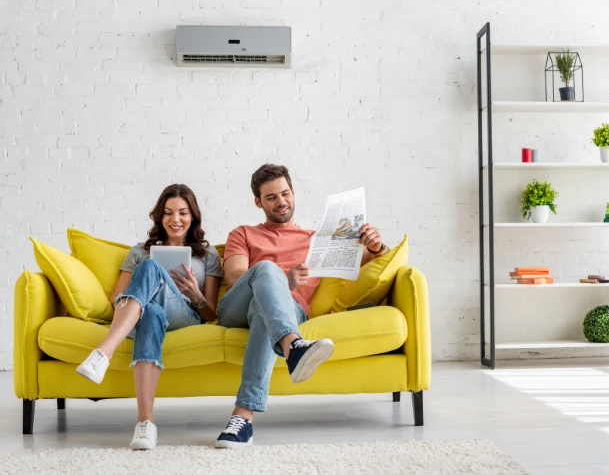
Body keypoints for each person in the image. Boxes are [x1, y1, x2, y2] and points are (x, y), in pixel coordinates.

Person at [214, 164, 390, 449]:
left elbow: (372, 264)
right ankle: (294, 345)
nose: (281, 201)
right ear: (258, 202)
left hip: (288, 311)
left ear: (293, 192)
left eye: (285, 193)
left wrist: (376, 246)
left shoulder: (318, 240)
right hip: (236, 308)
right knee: (267, 270)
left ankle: (242, 418)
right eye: (271, 197)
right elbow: (235, 277)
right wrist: (283, 280)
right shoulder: (243, 233)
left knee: (264, 312)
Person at [75, 184, 223, 450]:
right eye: (167, 213)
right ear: (159, 216)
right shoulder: (140, 251)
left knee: (151, 266)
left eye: (182, 213)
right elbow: (115, 299)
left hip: (184, 315)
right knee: (151, 307)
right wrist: (147, 291)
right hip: (143, 315)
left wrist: (194, 293)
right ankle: (145, 423)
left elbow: (211, 313)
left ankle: (104, 353)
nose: (175, 220)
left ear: (193, 216)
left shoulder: (208, 254)